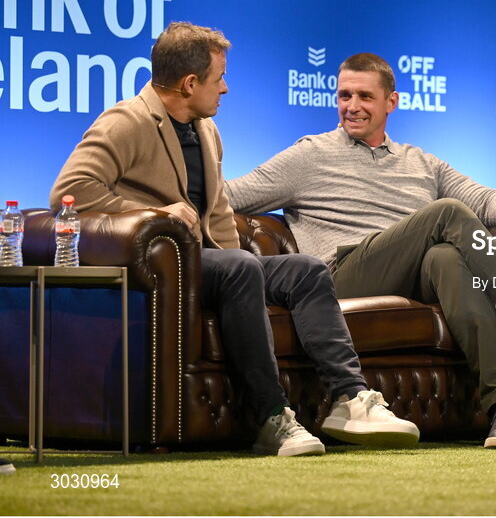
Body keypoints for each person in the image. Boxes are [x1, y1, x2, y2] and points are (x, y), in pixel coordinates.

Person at [225, 52, 496, 449]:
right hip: (341, 275)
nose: (351, 106)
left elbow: (478, 196)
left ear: (391, 102)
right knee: (445, 214)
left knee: (445, 258)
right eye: (344, 96)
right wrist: (171, 197)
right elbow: (230, 195)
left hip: (410, 273)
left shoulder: (420, 162)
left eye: (364, 96)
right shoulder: (309, 155)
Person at [51, 23, 419, 456]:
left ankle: (350, 399)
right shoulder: (127, 121)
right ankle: (270, 417)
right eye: (218, 78)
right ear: (190, 84)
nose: (225, 88)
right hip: (158, 266)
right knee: (240, 266)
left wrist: (243, 281)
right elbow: (69, 191)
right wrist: (152, 214)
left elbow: (219, 211)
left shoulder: (206, 129)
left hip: (210, 263)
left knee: (305, 269)